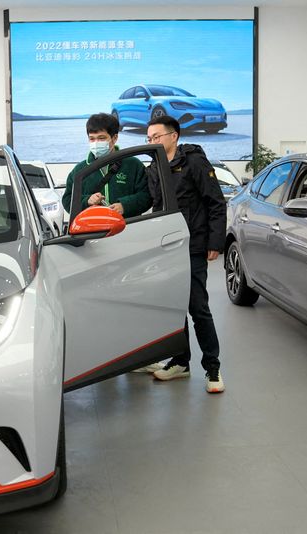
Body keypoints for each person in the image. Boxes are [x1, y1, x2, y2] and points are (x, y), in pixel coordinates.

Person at [144, 116, 227, 394]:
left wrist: (214, 242)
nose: (152, 142)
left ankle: (212, 367)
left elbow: (215, 202)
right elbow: (151, 203)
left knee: (197, 307)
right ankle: (181, 362)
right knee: (173, 306)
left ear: (173, 136)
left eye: (157, 137)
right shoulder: (154, 166)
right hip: (165, 247)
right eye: (149, 138)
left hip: (192, 246)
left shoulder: (194, 162)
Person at [61, 113, 151, 219]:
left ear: (114, 138)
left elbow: (148, 195)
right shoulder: (80, 170)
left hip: (127, 228)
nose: (96, 143)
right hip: (92, 231)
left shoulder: (133, 165)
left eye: (101, 138)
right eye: (92, 139)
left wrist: (125, 205)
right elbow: (67, 200)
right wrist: (87, 200)